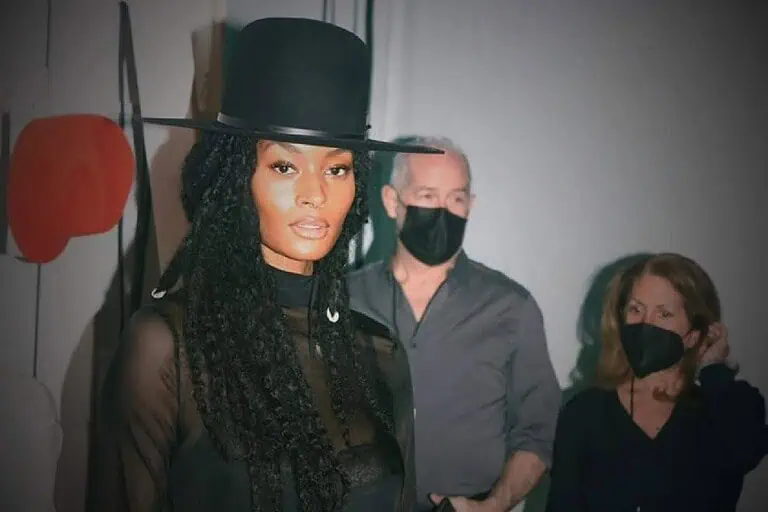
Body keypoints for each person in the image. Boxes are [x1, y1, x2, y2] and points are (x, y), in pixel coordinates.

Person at [94, 18, 443, 512]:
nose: (315, 193)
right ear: (239, 176)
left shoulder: (380, 353)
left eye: (336, 168)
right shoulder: (168, 349)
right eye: (285, 166)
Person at [348, 136, 562, 512]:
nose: (443, 211)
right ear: (391, 201)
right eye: (428, 196)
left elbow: (537, 434)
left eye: (456, 199)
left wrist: (494, 505)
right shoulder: (344, 298)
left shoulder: (512, 308)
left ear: (470, 206)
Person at [545, 252, 768, 512]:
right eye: (636, 309)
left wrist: (713, 368)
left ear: (694, 334)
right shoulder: (584, 412)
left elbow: (746, 449)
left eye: (663, 314)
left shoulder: (726, 407)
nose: (645, 324)